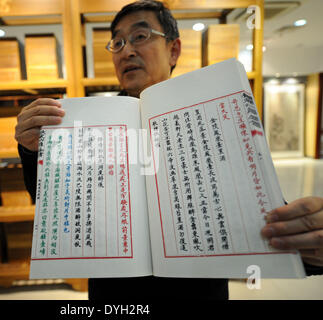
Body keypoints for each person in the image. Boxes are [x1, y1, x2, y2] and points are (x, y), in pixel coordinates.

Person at [16, 0, 323, 300]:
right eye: (118, 42)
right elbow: (50, 201)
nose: (127, 51)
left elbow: (261, 212)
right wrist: (32, 150)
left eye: (140, 36)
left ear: (173, 50)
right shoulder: (92, 121)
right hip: (115, 296)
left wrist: (307, 245)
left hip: (196, 292)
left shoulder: (213, 113)